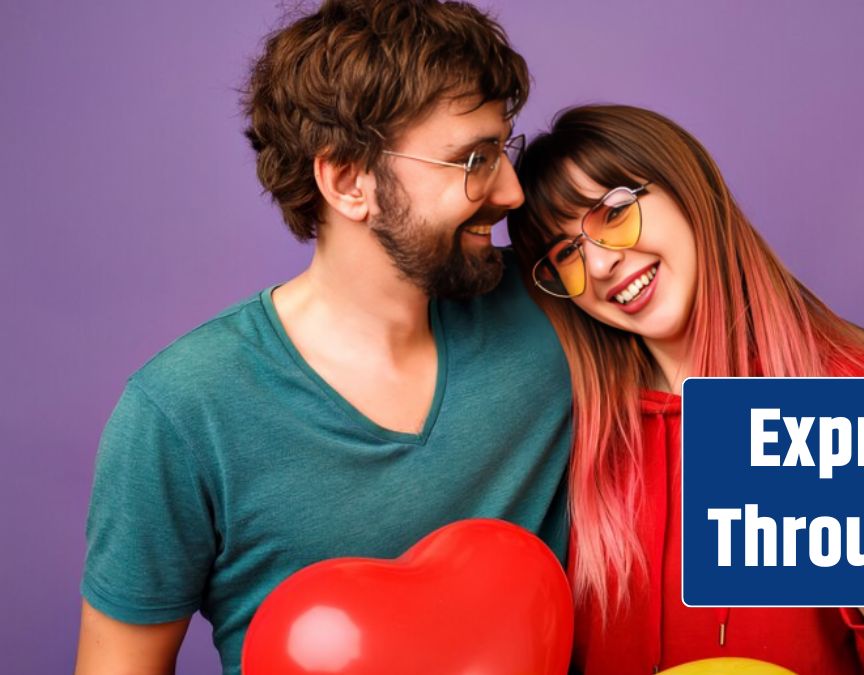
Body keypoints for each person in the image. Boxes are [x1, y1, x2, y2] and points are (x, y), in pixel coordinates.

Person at [75, 2, 574, 673]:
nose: (512, 191)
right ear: (347, 180)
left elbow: (732, 333)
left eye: (503, 149)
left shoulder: (555, 304)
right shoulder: (181, 411)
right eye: (473, 158)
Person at [508, 104, 864, 674]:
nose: (597, 265)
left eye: (614, 213)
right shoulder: (578, 435)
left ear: (688, 188)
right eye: (565, 254)